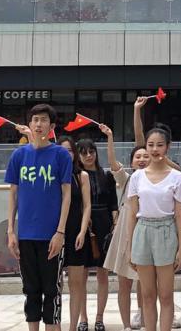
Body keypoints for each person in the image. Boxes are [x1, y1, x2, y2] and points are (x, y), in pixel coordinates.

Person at [6, 103, 73, 331]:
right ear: (29, 123)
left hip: (51, 236)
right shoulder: (19, 155)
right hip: (25, 235)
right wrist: (11, 231)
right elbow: (13, 194)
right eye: (35, 119)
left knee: (52, 291)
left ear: (51, 126)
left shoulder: (60, 155)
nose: (38, 124)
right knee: (30, 291)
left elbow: (66, 195)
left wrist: (60, 232)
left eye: (44, 120)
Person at [126, 127, 181, 331]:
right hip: (143, 232)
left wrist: (180, 248)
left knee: (166, 295)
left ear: (167, 147)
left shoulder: (177, 177)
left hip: (166, 231)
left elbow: (179, 214)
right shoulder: (137, 177)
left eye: (159, 145)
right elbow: (132, 214)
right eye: (150, 145)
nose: (154, 149)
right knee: (147, 294)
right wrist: (130, 247)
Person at [101, 118, 149, 331]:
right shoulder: (127, 179)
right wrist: (110, 137)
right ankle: (127, 325)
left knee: (145, 282)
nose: (142, 159)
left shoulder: (156, 180)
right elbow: (113, 163)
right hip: (124, 234)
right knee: (124, 283)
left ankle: (145, 320)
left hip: (146, 232)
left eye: (145, 156)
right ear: (132, 162)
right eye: (138, 157)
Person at [75, 137, 118, 331]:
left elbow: (113, 203)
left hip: (104, 224)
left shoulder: (106, 176)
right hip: (82, 225)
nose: (88, 156)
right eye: (84, 153)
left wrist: (115, 224)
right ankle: (83, 318)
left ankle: (99, 318)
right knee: (81, 275)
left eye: (91, 151)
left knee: (103, 274)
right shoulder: (76, 176)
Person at [59, 136, 92, 331]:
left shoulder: (82, 176)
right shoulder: (53, 174)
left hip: (76, 232)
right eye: (62, 150)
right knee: (55, 284)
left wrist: (82, 231)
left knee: (76, 284)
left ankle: (73, 326)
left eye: (70, 150)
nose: (66, 154)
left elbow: (87, 206)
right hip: (56, 233)